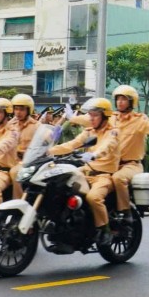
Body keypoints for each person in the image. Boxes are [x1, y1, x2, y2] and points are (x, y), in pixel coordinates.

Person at [67, 85, 149, 220]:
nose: (119, 102)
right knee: (74, 174)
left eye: (124, 99)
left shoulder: (139, 120)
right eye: (118, 99)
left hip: (130, 165)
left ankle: (126, 213)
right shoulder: (111, 117)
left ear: (132, 102)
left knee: (118, 178)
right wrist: (73, 117)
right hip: (108, 164)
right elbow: (89, 118)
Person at [50, 98, 120, 245]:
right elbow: (72, 144)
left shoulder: (113, 132)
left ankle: (105, 229)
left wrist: (94, 155)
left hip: (104, 175)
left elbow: (107, 146)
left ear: (105, 116)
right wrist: (48, 151)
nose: (91, 118)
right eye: (90, 115)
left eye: (95, 115)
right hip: (85, 171)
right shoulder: (89, 132)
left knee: (93, 197)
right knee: (58, 183)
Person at [7, 94, 41, 199]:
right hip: (11, 160)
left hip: (28, 162)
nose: (18, 112)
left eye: (21, 109)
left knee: (15, 172)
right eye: (16, 109)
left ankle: (18, 202)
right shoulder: (10, 125)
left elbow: (44, 143)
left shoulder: (36, 126)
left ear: (28, 110)